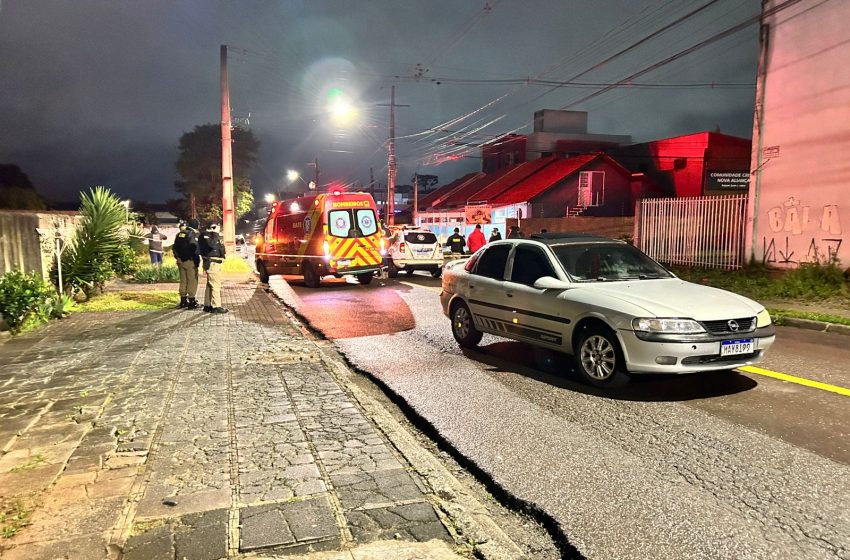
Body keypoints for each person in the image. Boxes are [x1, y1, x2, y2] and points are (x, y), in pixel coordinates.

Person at [198, 223, 228, 314]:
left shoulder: (213, 236)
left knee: (210, 284)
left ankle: (207, 305)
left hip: (215, 263)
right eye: (217, 228)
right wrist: (215, 233)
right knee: (215, 285)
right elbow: (211, 245)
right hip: (212, 263)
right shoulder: (205, 236)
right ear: (212, 227)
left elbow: (221, 248)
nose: (219, 230)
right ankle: (216, 306)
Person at [173, 219, 200, 309]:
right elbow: (195, 248)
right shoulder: (192, 234)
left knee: (183, 281)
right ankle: (192, 301)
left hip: (180, 261)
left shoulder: (180, 234)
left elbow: (175, 247)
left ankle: (183, 301)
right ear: (196, 226)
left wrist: (178, 257)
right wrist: (195, 259)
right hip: (190, 261)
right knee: (192, 280)